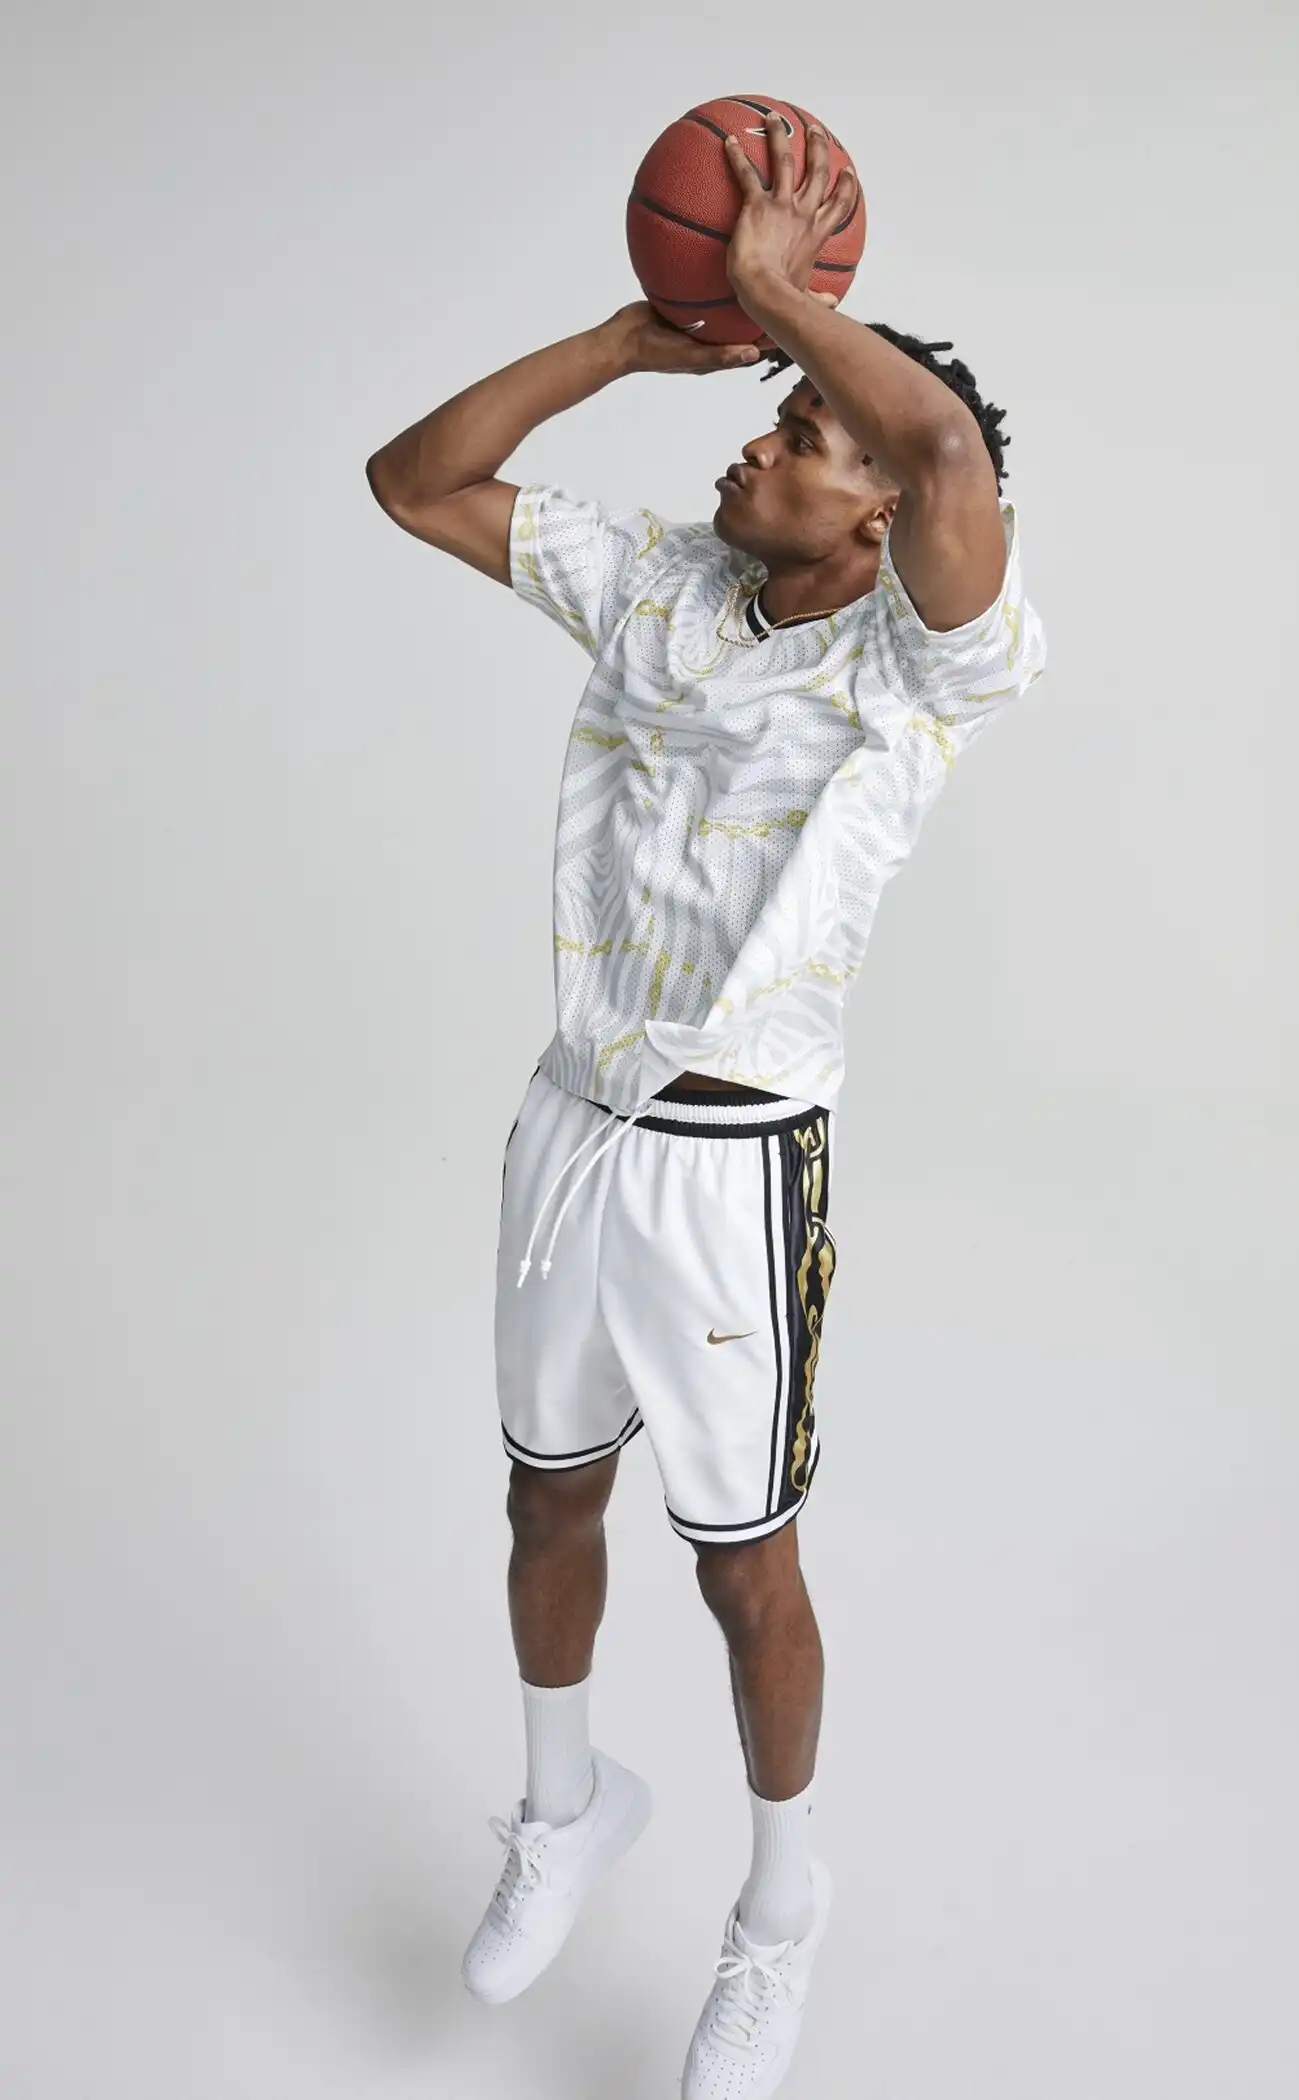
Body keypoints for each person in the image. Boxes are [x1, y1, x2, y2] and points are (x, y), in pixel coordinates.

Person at [366, 113, 1047, 2100]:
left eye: (798, 433)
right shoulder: (659, 580)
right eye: (764, 415)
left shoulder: (926, 662)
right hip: (571, 1125)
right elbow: (415, 481)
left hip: (733, 1167)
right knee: (542, 1493)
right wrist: (623, 338)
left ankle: (775, 1914)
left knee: (743, 1566)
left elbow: (948, 459)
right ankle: (565, 1808)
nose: (753, 442)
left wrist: (771, 291)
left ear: (874, 514)